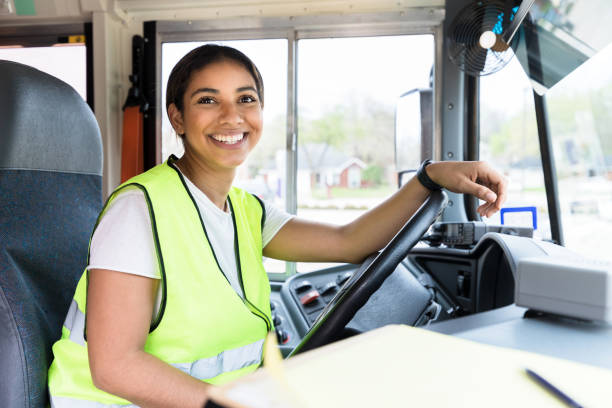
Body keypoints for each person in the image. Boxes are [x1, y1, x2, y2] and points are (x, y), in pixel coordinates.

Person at [47, 44, 507, 408]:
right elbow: (114, 366)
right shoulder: (138, 208)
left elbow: (350, 241)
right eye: (208, 100)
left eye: (245, 99)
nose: (232, 116)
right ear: (178, 118)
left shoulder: (247, 210)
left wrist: (430, 177)